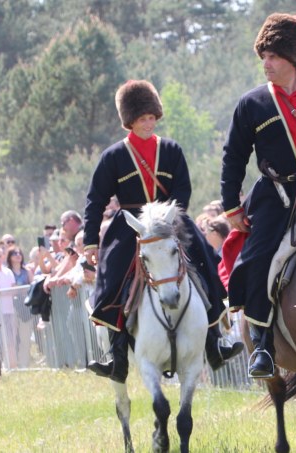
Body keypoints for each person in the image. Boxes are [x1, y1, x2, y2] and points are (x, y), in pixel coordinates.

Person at [83, 80, 242, 383]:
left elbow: (183, 187)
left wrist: (169, 216)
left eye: (152, 117)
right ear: (130, 120)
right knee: (112, 272)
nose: (148, 123)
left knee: (205, 259)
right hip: (131, 225)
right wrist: (91, 242)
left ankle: (214, 340)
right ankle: (117, 356)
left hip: (170, 222)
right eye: (142, 118)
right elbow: (95, 200)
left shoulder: (170, 149)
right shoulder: (113, 156)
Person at [219, 12, 296, 378]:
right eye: (264, 56)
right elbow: (233, 158)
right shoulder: (251, 104)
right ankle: (263, 345)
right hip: (275, 195)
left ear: (293, 58)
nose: (266, 64)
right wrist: (231, 208)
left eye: (272, 56)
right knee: (255, 260)